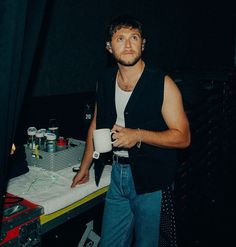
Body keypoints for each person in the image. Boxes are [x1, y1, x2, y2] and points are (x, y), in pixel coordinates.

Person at [71, 15, 191, 247]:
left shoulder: (162, 83)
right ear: (109, 47)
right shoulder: (104, 80)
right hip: (118, 176)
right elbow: (96, 124)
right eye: (120, 38)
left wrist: (137, 135)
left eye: (134, 37)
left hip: (152, 181)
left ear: (143, 44)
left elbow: (183, 137)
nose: (128, 45)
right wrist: (84, 167)